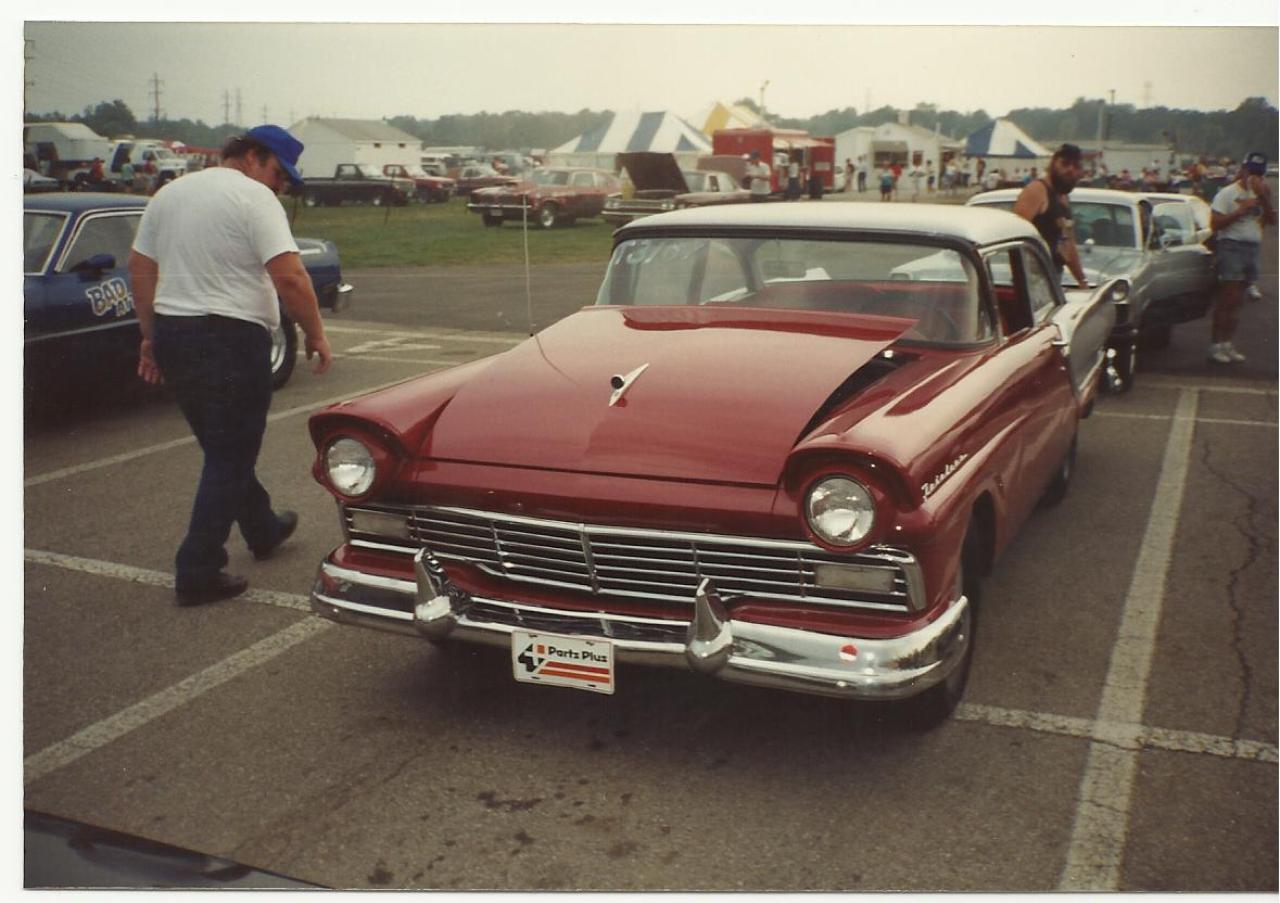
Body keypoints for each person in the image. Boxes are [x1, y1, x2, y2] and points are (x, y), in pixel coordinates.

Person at [128, 125, 333, 605]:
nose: (279, 185)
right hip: (231, 339)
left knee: (222, 446)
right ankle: (198, 568)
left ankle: (261, 526)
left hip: (176, 332)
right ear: (253, 156)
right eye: (278, 173)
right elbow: (290, 276)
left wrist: (151, 335)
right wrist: (316, 333)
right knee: (231, 452)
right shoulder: (254, 198)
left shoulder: (169, 194)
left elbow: (139, 267)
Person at [1206, 152, 1274, 363]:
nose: (1254, 178)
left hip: (1252, 248)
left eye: (1258, 174)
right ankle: (1215, 345)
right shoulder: (1227, 193)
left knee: (1238, 301)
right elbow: (1215, 224)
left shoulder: (1262, 193)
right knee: (1228, 297)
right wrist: (1240, 210)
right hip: (1231, 246)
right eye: (1251, 172)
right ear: (1243, 171)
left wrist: (1264, 199)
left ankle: (1227, 343)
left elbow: (1272, 220)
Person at [1012, 142, 1090, 289]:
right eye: (1065, 164)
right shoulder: (1037, 191)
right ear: (1053, 163)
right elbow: (1014, 237)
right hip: (1033, 280)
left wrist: (1082, 281)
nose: (1070, 170)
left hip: (1052, 278)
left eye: (1076, 166)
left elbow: (1069, 244)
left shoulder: (1063, 197)